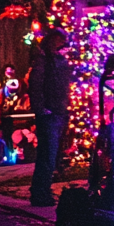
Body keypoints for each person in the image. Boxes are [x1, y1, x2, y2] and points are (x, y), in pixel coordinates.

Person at [28, 27, 73, 206]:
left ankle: (41, 190)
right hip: (49, 113)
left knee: (49, 154)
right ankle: (40, 193)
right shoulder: (44, 62)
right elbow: (36, 85)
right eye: (60, 41)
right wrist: (41, 108)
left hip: (56, 111)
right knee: (47, 153)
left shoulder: (56, 61)